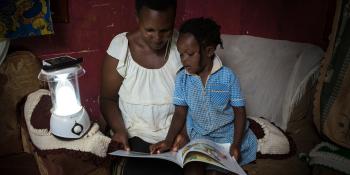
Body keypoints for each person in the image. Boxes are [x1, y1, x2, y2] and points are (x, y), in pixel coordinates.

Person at [150, 17, 258, 175]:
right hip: (199, 140)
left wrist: (235, 144)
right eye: (181, 55)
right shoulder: (182, 78)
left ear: (208, 50)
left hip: (227, 139)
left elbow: (239, 112)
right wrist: (168, 140)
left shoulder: (228, 77)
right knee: (192, 170)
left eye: (190, 54)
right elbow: (180, 112)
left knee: (225, 170)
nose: (184, 60)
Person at [100, 0, 186, 174]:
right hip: (134, 133)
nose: (157, 38)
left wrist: (184, 133)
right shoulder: (121, 47)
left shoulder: (183, 47)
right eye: (149, 30)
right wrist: (119, 131)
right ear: (137, 18)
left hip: (173, 133)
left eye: (165, 30)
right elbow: (107, 99)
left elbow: (193, 100)